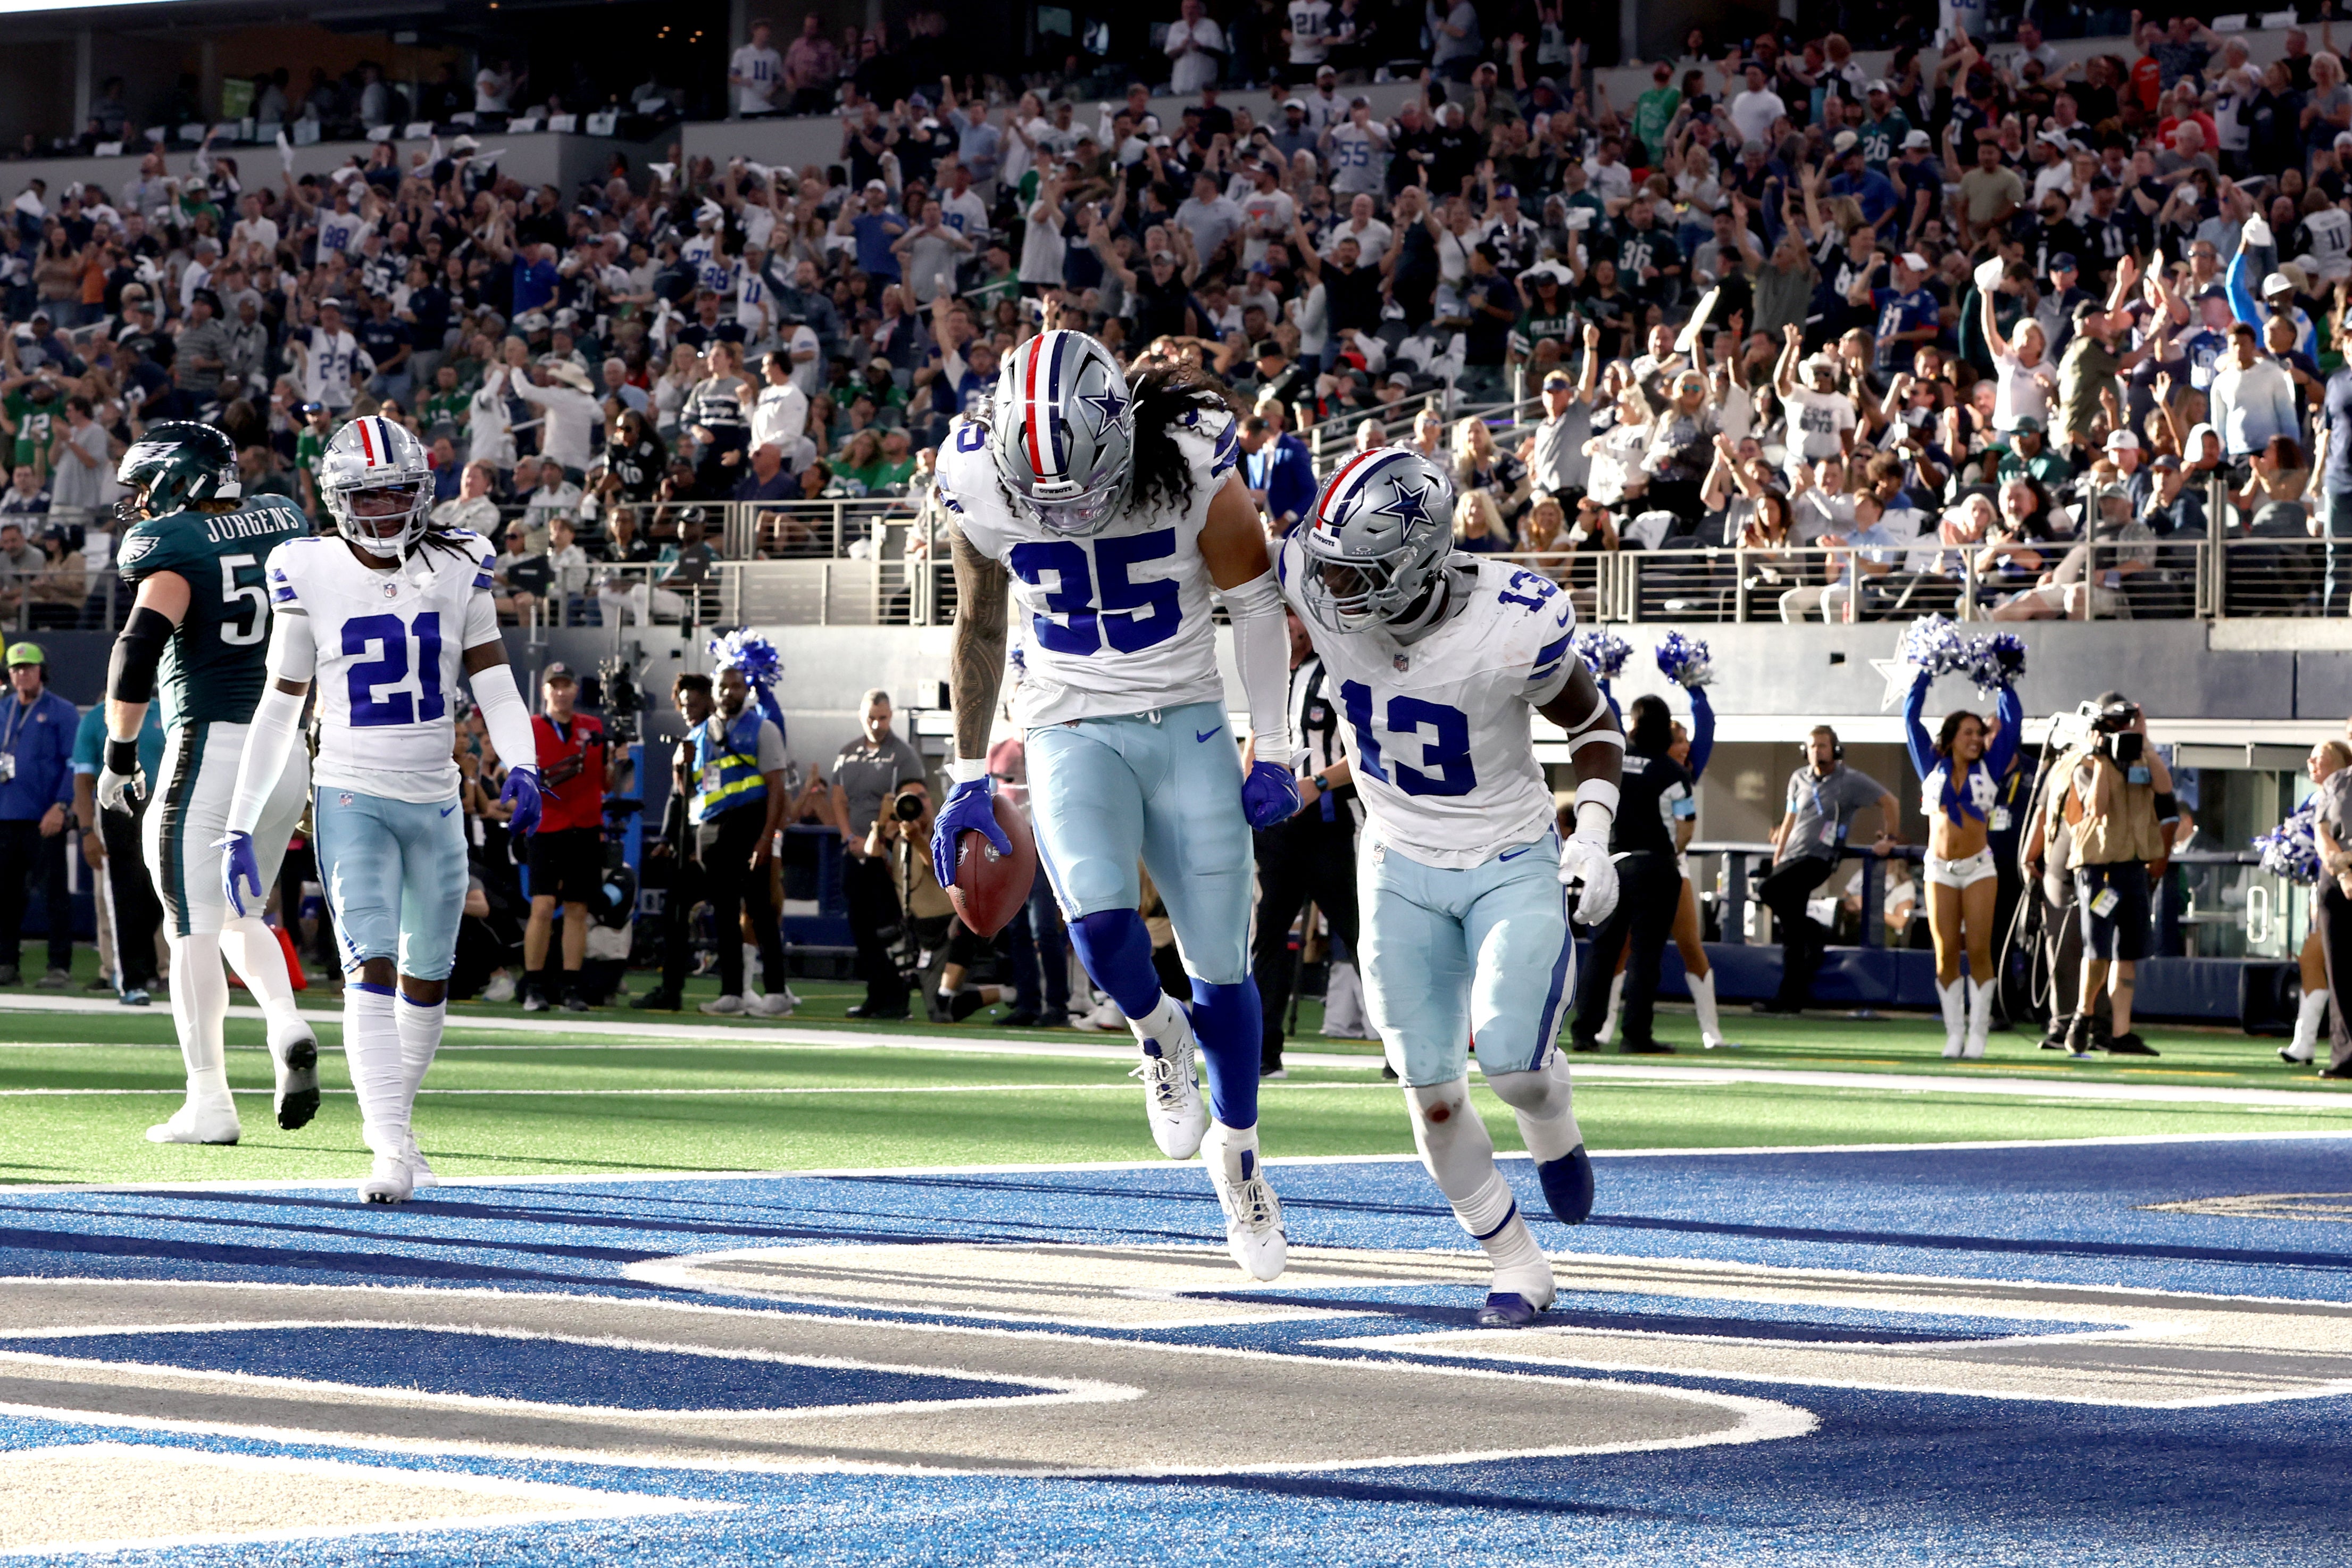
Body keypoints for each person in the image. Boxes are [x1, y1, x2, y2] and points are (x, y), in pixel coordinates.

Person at [929, 330, 1297, 1280]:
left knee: (1222, 966)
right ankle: (1153, 1031)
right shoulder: (973, 471)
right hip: (1063, 720)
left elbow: (1255, 601)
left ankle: (1240, 1159)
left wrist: (1276, 741)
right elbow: (978, 621)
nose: (1070, 507)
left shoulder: (1187, 445)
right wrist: (967, 772)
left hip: (1183, 716)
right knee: (1095, 923)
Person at [1277, 444, 1625, 1327]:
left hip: (1507, 855)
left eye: (1356, 575)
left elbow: (1592, 723)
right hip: (1395, 860)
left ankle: (1551, 1112)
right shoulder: (1317, 582)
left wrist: (1592, 835)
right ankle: (1516, 1261)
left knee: (1514, 1065)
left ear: (1414, 564)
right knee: (1430, 1094)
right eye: (1330, 569)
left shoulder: (1511, 619)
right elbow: (1235, 589)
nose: (1332, 594)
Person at [219, 413, 545, 1203]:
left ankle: (400, 1124)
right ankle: (388, 1145)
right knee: (372, 964)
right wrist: (239, 819)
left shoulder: (459, 561)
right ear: (337, 499)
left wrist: (526, 764)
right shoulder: (307, 567)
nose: (386, 509)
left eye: (400, 492)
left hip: (435, 794)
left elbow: (494, 682)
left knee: (431, 976)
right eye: (369, 496)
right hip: (350, 789)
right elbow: (279, 706)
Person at [99, 423, 315, 1143]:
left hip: (212, 746)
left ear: (174, 479)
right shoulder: (282, 518)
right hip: (285, 751)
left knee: (189, 926)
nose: (136, 504)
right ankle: (285, 1023)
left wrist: (120, 754)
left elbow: (136, 652)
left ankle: (210, 1102)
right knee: (239, 916)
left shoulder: (175, 549)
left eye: (142, 488)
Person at [641, 662, 791, 1016]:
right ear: (715, 693)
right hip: (711, 831)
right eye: (724, 686)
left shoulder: (762, 729)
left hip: (750, 823)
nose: (729, 692)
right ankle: (732, 994)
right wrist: (680, 769)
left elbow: (776, 787)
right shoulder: (697, 736)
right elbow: (687, 793)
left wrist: (767, 838)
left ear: (745, 690)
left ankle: (776, 992)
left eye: (736, 686)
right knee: (724, 911)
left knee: (759, 909)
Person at [1249, 607, 1360, 1080]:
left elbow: (1365, 754)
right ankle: (1263, 1053)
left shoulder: (1340, 672)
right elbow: (1255, 739)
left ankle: (1408, 1053)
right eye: (1283, 617)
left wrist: (1315, 782)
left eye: (1295, 617)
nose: (1288, 627)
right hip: (1278, 832)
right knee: (1268, 941)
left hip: (1330, 827)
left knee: (1361, 939)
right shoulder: (1270, 674)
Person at [2033, 695, 2175, 1058]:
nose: (2121, 731)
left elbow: (2164, 789)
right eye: (2115, 725)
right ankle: (2083, 1016)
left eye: (2125, 723)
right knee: (2097, 949)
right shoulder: (2083, 760)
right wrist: (2100, 761)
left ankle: (2120, 1032)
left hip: (2133, 864)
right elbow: (2095, 807)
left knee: (2128, 952)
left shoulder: (2140, 754)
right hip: (2100, 869)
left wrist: (2145, 742)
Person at [1903, 665, 2023, 1059]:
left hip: (1978, 867)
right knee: (1945, 952)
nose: (1977, 739)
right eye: (1969, 733)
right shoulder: (1930, 766)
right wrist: (1923, 675)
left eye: (1980, 733)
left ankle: (1978, 1035)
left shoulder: (1990, 766)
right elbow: (1910, 718)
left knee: (1979, 948)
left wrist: (2003, 680)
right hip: (1938, 869)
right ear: (1952, 738)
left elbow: (2012, 720)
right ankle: (1954, 1033)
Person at [1572, 694, 1691, 1056]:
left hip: (1613, 865)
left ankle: (1583, 1032)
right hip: (1655, 866)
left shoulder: (1615, 765)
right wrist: (1672, 852)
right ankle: (1635, 1035)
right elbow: (1687, 828)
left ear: (1634, 725)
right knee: (1645, 954)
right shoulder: (1674, 773)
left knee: (1603, 951)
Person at [1756, 726, 1900, 1014]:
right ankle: (1790, 997)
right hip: (1792, 856)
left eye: (1822, 746)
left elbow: (1890, 802)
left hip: (1819, 858)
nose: (1816, 752)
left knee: (1768, 890)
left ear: (1834, 749)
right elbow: (1790, 817)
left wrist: (1890, 838)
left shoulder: (1851, 781)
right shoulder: (1799, 778)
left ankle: (1814, 931)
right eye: (1812, 747)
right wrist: (1779, 852)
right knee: (1791, 932)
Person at [520, 663, 619, 1013]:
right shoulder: (530, 728)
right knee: (543, 906)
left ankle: (571, 986)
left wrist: (616, 761)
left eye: (567, 685)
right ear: (545, 690)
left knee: (578, 908)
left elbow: (609, 784)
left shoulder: (592, 728)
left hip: (586, 824)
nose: (561, 692)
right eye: (555, 685)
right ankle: (534, 985)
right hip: (546, 826)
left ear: (576, 690)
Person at [832, 688, 924, 1020]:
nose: (877, 724)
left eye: (883, 717)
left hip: (887, 855)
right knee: (861, 927)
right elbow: (839, 799)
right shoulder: (848, 754)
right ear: (862, 715)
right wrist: (848, 838)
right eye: (872, 717)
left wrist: (882, 837)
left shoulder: (903, 755)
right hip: (855, 852)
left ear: (891, 716)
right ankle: (875, 995)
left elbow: (913, 803)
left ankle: (898, 1000)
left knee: (891, 929)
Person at [70, 694, 165, 1004]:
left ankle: (150, 969)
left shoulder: (166, 711)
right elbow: (83, 781)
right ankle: (130, 980)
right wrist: (87, 832)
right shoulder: (97, 718)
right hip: (114, 807)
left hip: (161, 805)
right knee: (121, 897)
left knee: (157, 897)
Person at [0, 641, 76, 988]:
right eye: (16, 669)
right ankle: (6, 964)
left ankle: (59, 966)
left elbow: (74, 765)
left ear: (41, 671)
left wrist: (61, 806)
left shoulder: (61, 711)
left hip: (45, 818)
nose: (22, 674)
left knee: (54, 895)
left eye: (29, 668)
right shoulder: (4, 709)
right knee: (6, 896)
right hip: (5, 816)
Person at [2309, 736, 2352, 1080]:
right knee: (2340, 970)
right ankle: (2346, 1057)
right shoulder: (2337, 783)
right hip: (2336, 885)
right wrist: (2343, 871)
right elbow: (2322, 833)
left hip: (2344, 871)